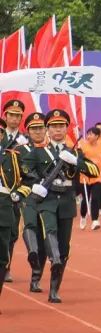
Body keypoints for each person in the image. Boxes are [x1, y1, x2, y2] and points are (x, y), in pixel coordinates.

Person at [21, 109, 101, 303]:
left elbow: (94, 171)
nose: (58, 129)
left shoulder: (75, 152)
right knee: (50, 231)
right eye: (54, 126)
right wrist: (36, 184)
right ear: (48, 129)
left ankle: (54, 289)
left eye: (61, 126)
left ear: (66, 128)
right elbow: (24, 170)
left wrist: (75, 161)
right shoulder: (38, 152)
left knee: (64, 247)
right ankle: (51, 261)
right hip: (46, 200)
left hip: (66, 202)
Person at [13, 111, 47, 292]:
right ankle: (32, 253)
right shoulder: (20, 150)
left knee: (44, 239)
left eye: (41, 128)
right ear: (28, 131)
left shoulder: (53, 149)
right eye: (34, 129)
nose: (38, 131)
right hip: (28, 195)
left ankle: (36, 278)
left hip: (50, 198)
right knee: (30, 224)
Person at [2, 99, 28, 283]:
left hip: (15, 194)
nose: (15, 118)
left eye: (18, 115)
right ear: (5, 116)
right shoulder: (1, 136)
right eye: (11, 115)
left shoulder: (25, 140)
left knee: (11, 233)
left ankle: (6, 267)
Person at [77, 125, 101, 230]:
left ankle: (95, 220)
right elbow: (78, 159)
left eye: (91, 134)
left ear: (97, 136)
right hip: (85, 177)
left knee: (96, 198)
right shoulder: (83, 145)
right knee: (85, 199)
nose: (88, 136)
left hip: (97, 176)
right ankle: (83, 216)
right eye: (88, 134)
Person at [0, 139, 21, 308]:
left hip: (4, 210)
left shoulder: (12, 156)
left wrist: (20, 193)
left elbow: (28, 178)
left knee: (1, 259)